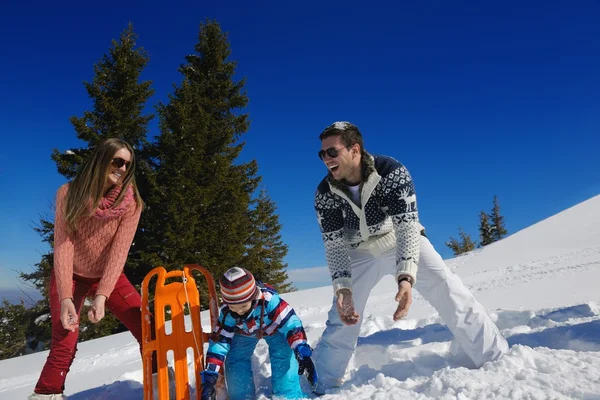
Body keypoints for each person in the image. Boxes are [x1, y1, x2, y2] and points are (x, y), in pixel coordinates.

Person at [311, 121, 509, 394]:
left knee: (447, 287)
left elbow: (407, 227)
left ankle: (496, 357)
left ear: (354, 149)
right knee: (343, 314)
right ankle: (323, 383)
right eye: (322, 154)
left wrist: (405, 276)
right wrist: (343, 287)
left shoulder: (391, 172)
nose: (326, 159)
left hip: (397, 238)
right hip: (357, 251)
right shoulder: (325, 193)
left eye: (331, 152)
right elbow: (334, 245)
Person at [29, 138, 145, 400]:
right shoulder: (69, 193)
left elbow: (119, 252)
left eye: (128, 164)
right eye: (117, 161)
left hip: (108, 276)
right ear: (102, 159)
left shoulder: (131, 203)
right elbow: (63, 244)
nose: (122, 168)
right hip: (69, 275)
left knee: (145, 324)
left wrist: (102, 295)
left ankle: (160, 379)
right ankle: (47, 394)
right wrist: (67, 297)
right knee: (65, 337)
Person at [200, 267, 317, 400]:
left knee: (283, 355)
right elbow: (220, 342)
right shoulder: (227, 312)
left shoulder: (270, 301)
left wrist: (300, 348)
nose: (239, 312)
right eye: (233, 307)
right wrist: (210, 376)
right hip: (244, 332)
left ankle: (286, 395)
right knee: (236, 360)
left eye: (243, 306)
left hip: (274, 329)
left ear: (253, 297)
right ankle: (242, 397)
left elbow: (291, 324)